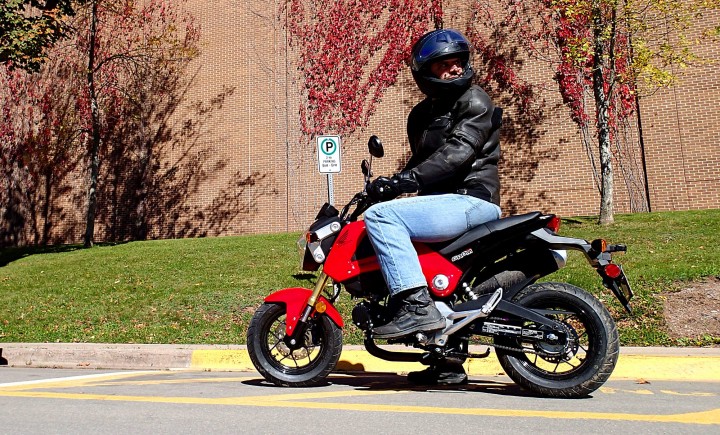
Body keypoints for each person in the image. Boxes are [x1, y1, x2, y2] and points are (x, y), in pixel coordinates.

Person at [363, 28, 503, 385]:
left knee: (380, 218)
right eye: (445, 64)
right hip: (445, 205)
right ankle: (448, 363)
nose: (455, 69)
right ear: (425, 71)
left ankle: (415, 306)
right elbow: (420, 163)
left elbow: (457, 154)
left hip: (472, 199)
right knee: (439, 279)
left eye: (458, 62)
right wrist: (388, 184)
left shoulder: (475, 101)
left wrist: (401, 186)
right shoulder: (421, 115)